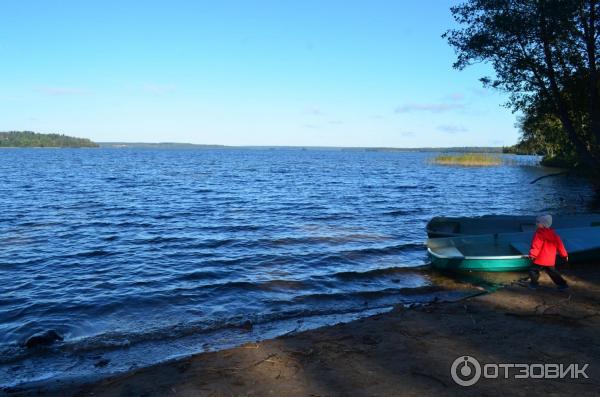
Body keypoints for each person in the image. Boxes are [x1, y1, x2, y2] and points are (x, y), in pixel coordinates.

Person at [528, 214, 569, 290]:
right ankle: (563, 285)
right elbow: (560, 246)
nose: (536, 224)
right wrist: (564, 255)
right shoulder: (554, 235)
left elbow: (536, 246)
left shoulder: (539, 234)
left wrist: (532, 255)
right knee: (552, 272)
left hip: (540, 259)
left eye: (538, 222)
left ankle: (534, 284)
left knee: (533, 270)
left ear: (543, 224)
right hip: (549, 259)